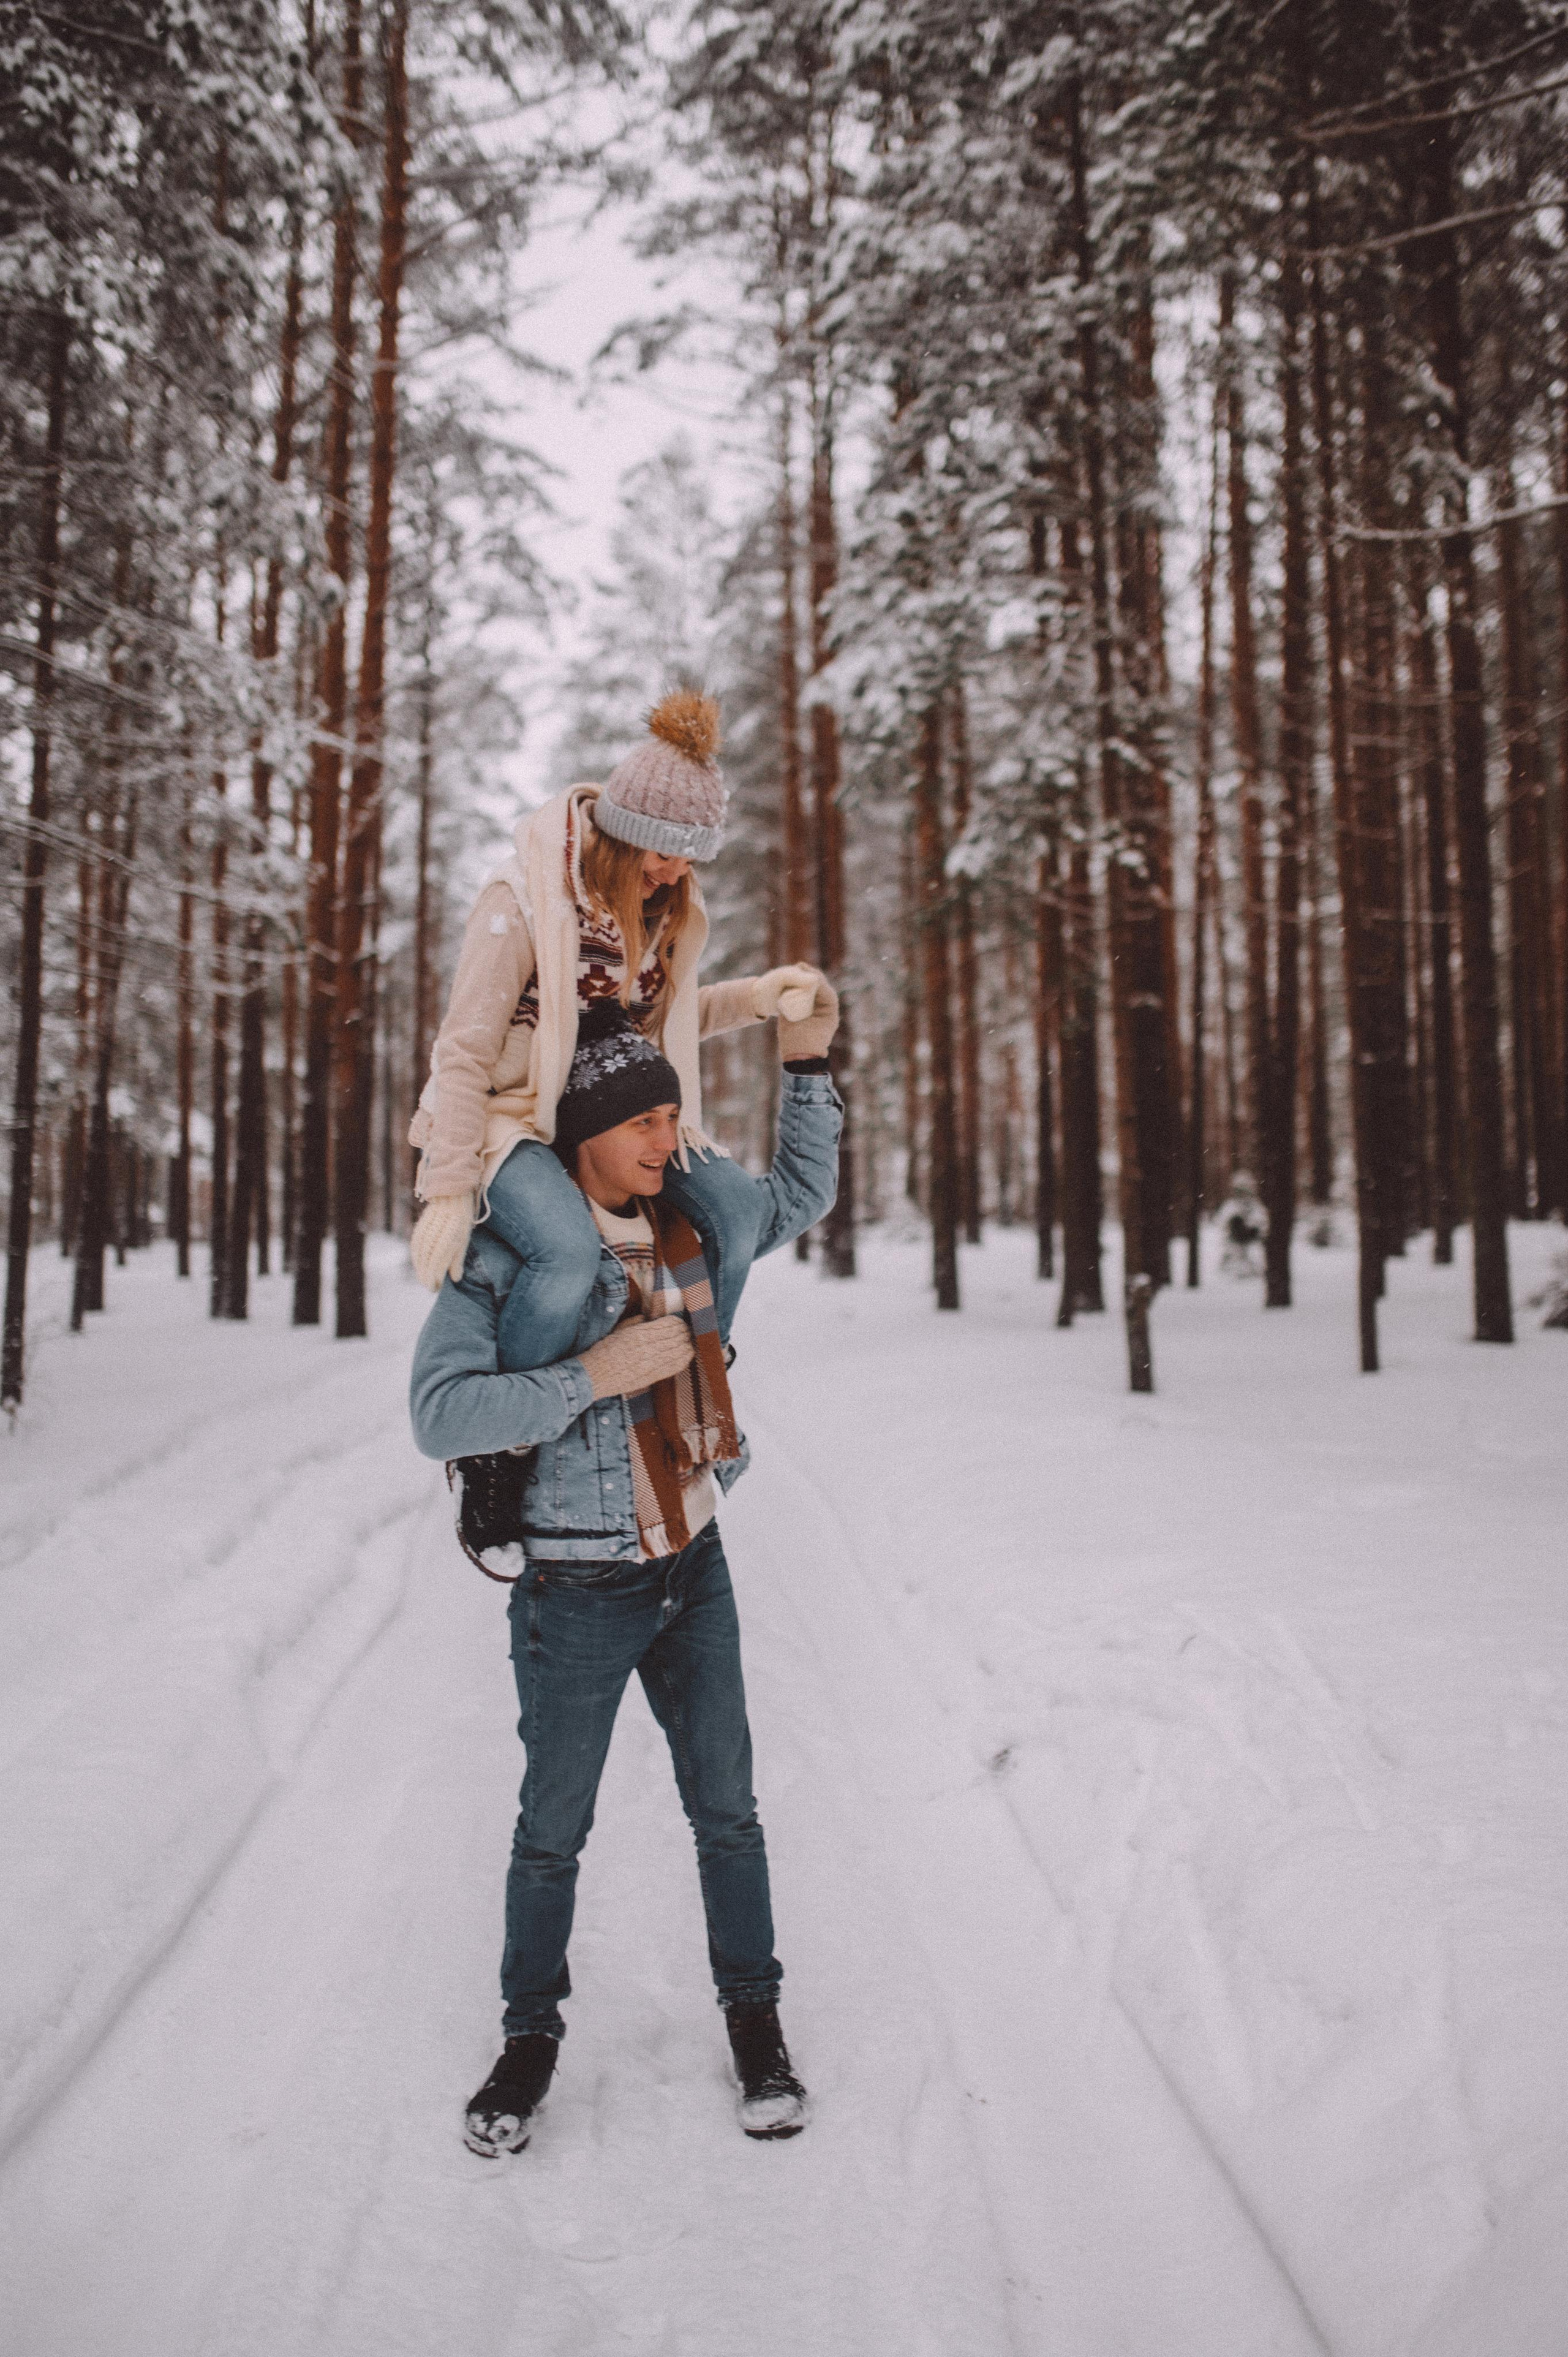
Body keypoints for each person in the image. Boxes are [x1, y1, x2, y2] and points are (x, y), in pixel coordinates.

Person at [409, 979, 843, 2158]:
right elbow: (441, 1414)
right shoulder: (508, 1261)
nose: (669, 1138)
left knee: (729, 1812)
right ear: (585, 1132)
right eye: (645, 1122)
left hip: (693, 1563)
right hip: (578, 1589)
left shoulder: (691, 1231)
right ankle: (528, 2040)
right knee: (552, 1830)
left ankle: (756, 2024)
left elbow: (800, 1194)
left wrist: (808, 1064)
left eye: (671, 1117)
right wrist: (592, 1375)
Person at [406, 687, 826, 1376]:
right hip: (509, 1119)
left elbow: (657, 1024)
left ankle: (695, 1375)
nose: (677, 873)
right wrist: (449, 1185)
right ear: (623, 833)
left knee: (733, 1207)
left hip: (601, 1114)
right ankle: (530, 1410)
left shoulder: (651, 912)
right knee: (566, 1252)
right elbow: (463, 1052)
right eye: (665, 853)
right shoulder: (522, 903)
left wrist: (757, 998)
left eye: (691, 859)